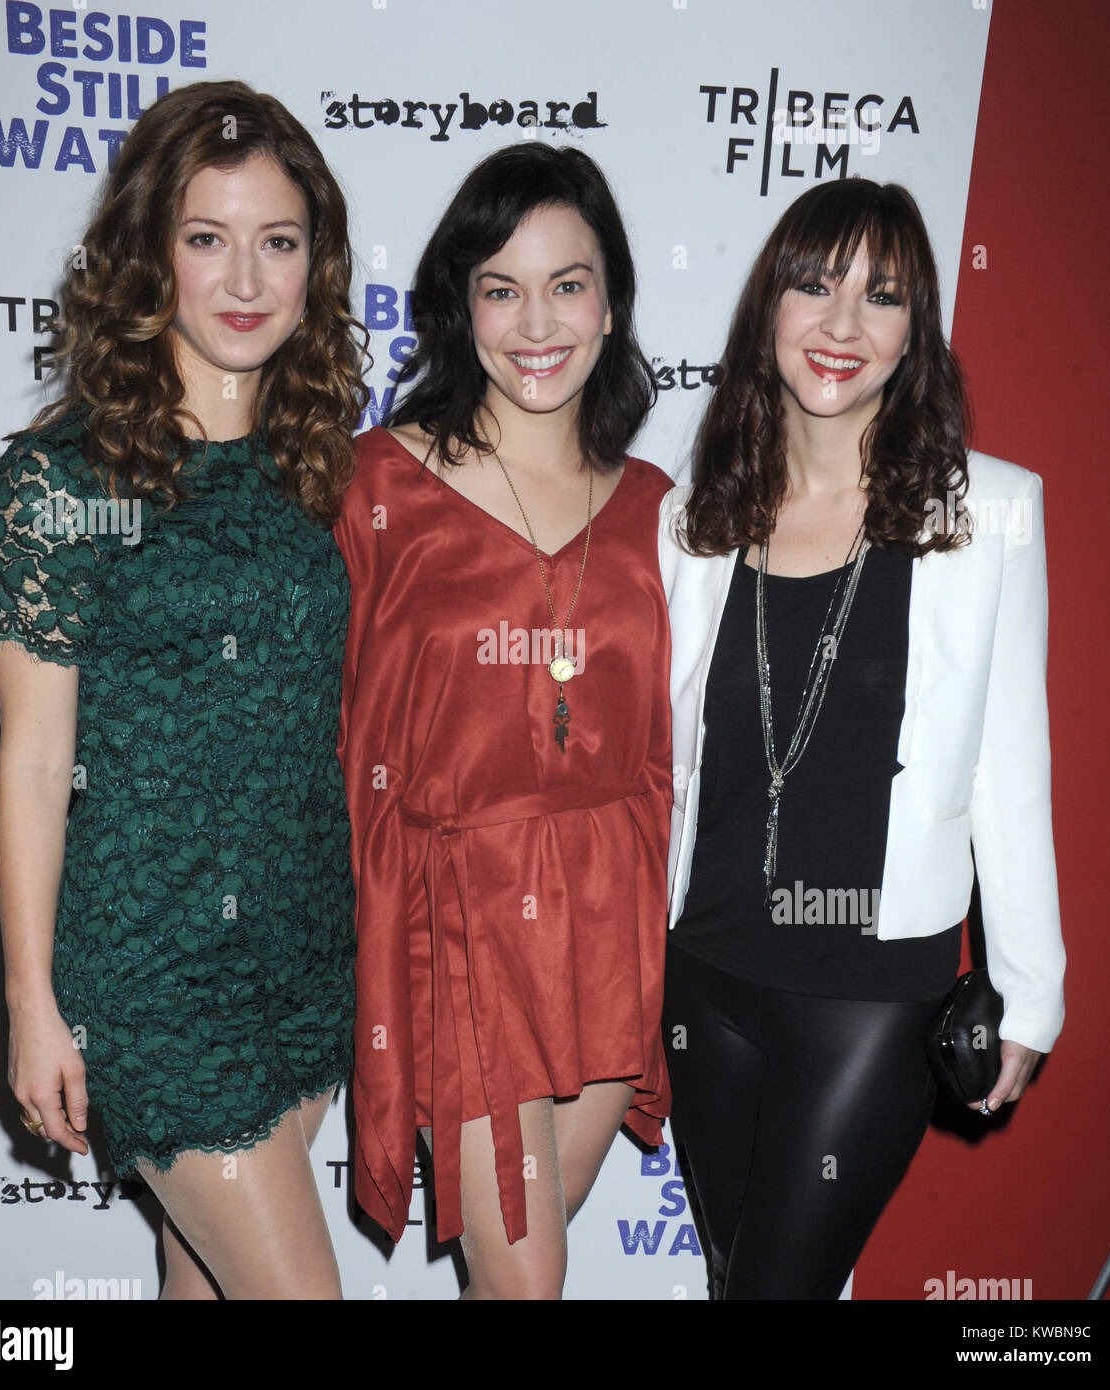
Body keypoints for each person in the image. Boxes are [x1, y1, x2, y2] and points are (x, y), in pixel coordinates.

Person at [0, 80, 366, 1300]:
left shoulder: (320, 465)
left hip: (303, 958)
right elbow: (33, 764)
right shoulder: (58, 485)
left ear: (317, 263)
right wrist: (31, 1007)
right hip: (150, 975)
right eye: (207, 239)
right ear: (150, 258)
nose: (246, 278)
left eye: (278, 241)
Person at [658, 178, 1065, 1299]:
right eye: (814, 285)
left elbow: (1008, 765)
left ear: (912, 332)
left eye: (880, 296)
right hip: (702, 974)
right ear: (767, 309)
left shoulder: (986, 515)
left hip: (871, 991)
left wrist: (1030, 990)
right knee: (737, 1275)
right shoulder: (693, 517)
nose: (842, 325)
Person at [336, 142, 672, 1299]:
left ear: (611, 299)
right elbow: (321, 728)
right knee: (528, 1280)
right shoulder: (377, 487)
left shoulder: (657, 513)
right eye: (500, 286)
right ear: (459, 304)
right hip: (462, 925)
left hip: (606, 925)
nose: (536, 321)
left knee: (510, 1271)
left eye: (567, 283)